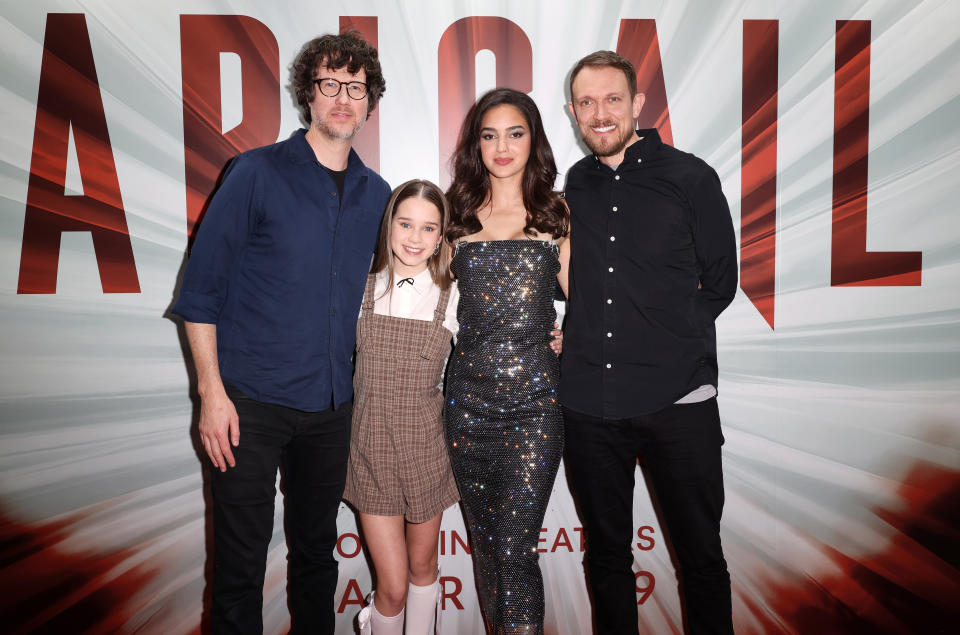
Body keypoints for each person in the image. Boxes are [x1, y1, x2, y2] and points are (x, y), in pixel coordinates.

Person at [171, 32, 389, 634]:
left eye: (356, 87)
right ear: (308, 95)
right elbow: (201, 294)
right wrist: (211, 396)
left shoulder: (380, 196)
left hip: (332, 407)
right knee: (238, 569)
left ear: (370, 101)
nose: (343, 98)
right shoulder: (254, 173)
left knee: (318, 560)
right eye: (329, 84)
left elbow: (402, 294)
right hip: (248, 405)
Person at [560, 50, 738, 634]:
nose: (600, 113)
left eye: (613, 99)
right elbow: (572, 281)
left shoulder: (690, 176)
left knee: (701, 561)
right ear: (573, 112)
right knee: (607, 558)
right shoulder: (576, 185)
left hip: (678, 401)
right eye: (587, 103)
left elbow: (721, 282)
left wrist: (668, 337)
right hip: (590, 405)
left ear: (636, 105)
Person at [444, 88, 570, 635]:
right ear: (476, 143)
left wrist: (572, 333)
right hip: (466, 407)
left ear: (533, 140)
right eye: (489, 134)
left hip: (536, 409)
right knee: (487, 548)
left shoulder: (556, 213)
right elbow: (419, 302)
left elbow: (592, 305)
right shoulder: (452, 215)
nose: (502, 146)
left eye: (515, 133)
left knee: (516, 547)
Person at [345, 179, 461, 635]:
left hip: (426, 450)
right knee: (391, 587)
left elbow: (502, 342)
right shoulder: (361, 286)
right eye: (406, 223)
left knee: (422, 566)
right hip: (369, 448)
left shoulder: (453, 296)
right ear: (388, 224)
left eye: (428, 228)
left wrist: (556, 336)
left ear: (441, 236)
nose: (415, 238)